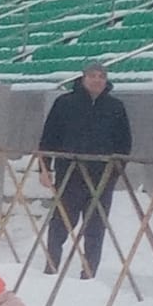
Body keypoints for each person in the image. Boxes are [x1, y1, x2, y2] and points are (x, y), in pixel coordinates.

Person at [38, 61, 133, 279]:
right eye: (92, 75)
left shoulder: (115, 107)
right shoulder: (64, 103)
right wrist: (44, 168)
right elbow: (48, 137)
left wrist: (115, 172)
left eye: (101, 76)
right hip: (70, 174)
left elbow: (124, 143)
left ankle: (89, 273)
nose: (97, 80)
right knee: (61, 221)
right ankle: (50, 267)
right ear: (83, 78)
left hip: (102, 177)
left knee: (95, 227)